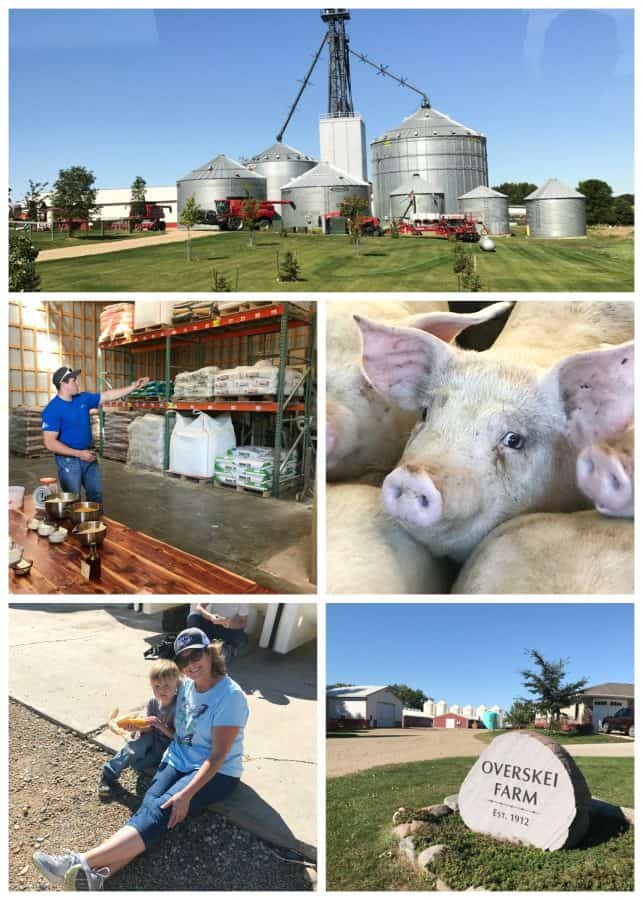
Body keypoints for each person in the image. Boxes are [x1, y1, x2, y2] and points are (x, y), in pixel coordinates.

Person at [33, 628, 248, 891]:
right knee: (149, 809)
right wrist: (150, 725)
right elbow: (180, 729)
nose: (190, 665)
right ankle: (98, 877)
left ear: (210, 652)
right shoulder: (189, 686)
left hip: (217, 772)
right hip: (179, 757)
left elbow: (216, 757)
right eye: (183, 660)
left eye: (196, 655)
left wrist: (186, 794)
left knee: (162, 810)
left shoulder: (230, 696)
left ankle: (77, 862)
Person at [41, 366, 151, 505]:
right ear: (63, 384)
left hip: (89, 455)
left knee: (96, 495)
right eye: (73, 381)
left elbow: (108, 395)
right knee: (72, 501)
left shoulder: (83, 399)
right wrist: (78, 454)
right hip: (69, 461)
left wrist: (134, 386)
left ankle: (96, 525)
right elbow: (50, 443)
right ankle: (75, 526)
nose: (77, 383)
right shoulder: (52, 410)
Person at [99, 659, 181, 798]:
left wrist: (160, 725)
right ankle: (108, 774)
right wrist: (137, 728)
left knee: (138, 765)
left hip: (167, 746)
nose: (161, 690)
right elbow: (148, 728)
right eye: (157, 686)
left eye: (166, 685)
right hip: (152, 738)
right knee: (135, 746)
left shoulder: (179, 707)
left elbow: (177, 737)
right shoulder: (153, 703)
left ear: (177, 685)